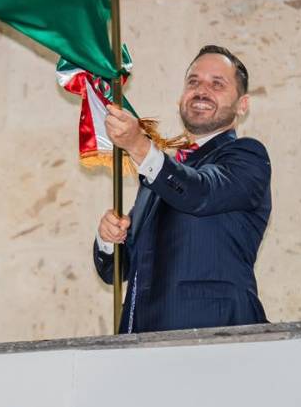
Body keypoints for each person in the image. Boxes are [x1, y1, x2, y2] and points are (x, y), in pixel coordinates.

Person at [94, 45, 272, 332]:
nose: (202, 91)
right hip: (140, 342)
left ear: (243, 104)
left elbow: (200, 193)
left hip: (215, 334)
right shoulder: (158, 176)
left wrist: (140, 147)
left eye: (217, 84)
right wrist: (108, 238)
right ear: (181, 98)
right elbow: (117, 270)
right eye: (194, 82)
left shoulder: (247, 156)